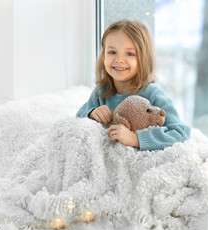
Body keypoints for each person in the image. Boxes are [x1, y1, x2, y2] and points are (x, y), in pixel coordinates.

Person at [77, 19, 190, 151]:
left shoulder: (154, 94)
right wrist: (92, 113)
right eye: (112, 52)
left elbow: (180, 132)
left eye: (130, 53)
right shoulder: (102, 91)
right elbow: (79, 116)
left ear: (143, 58)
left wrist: (136, 139)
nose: (119, 60)